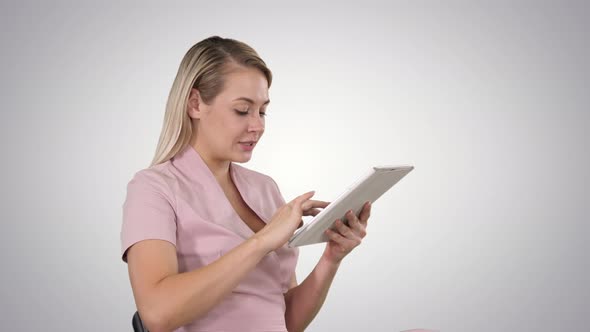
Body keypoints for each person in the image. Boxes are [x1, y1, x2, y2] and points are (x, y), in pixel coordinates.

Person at [120, 36, 371, 332]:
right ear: (194, 103)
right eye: (242, 110)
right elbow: (157, 314)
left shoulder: (264, 189)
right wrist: (262, 241)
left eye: (262, 111)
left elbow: (287, 321)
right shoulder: (153, 188)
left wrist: (332, 258)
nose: (258, 125)